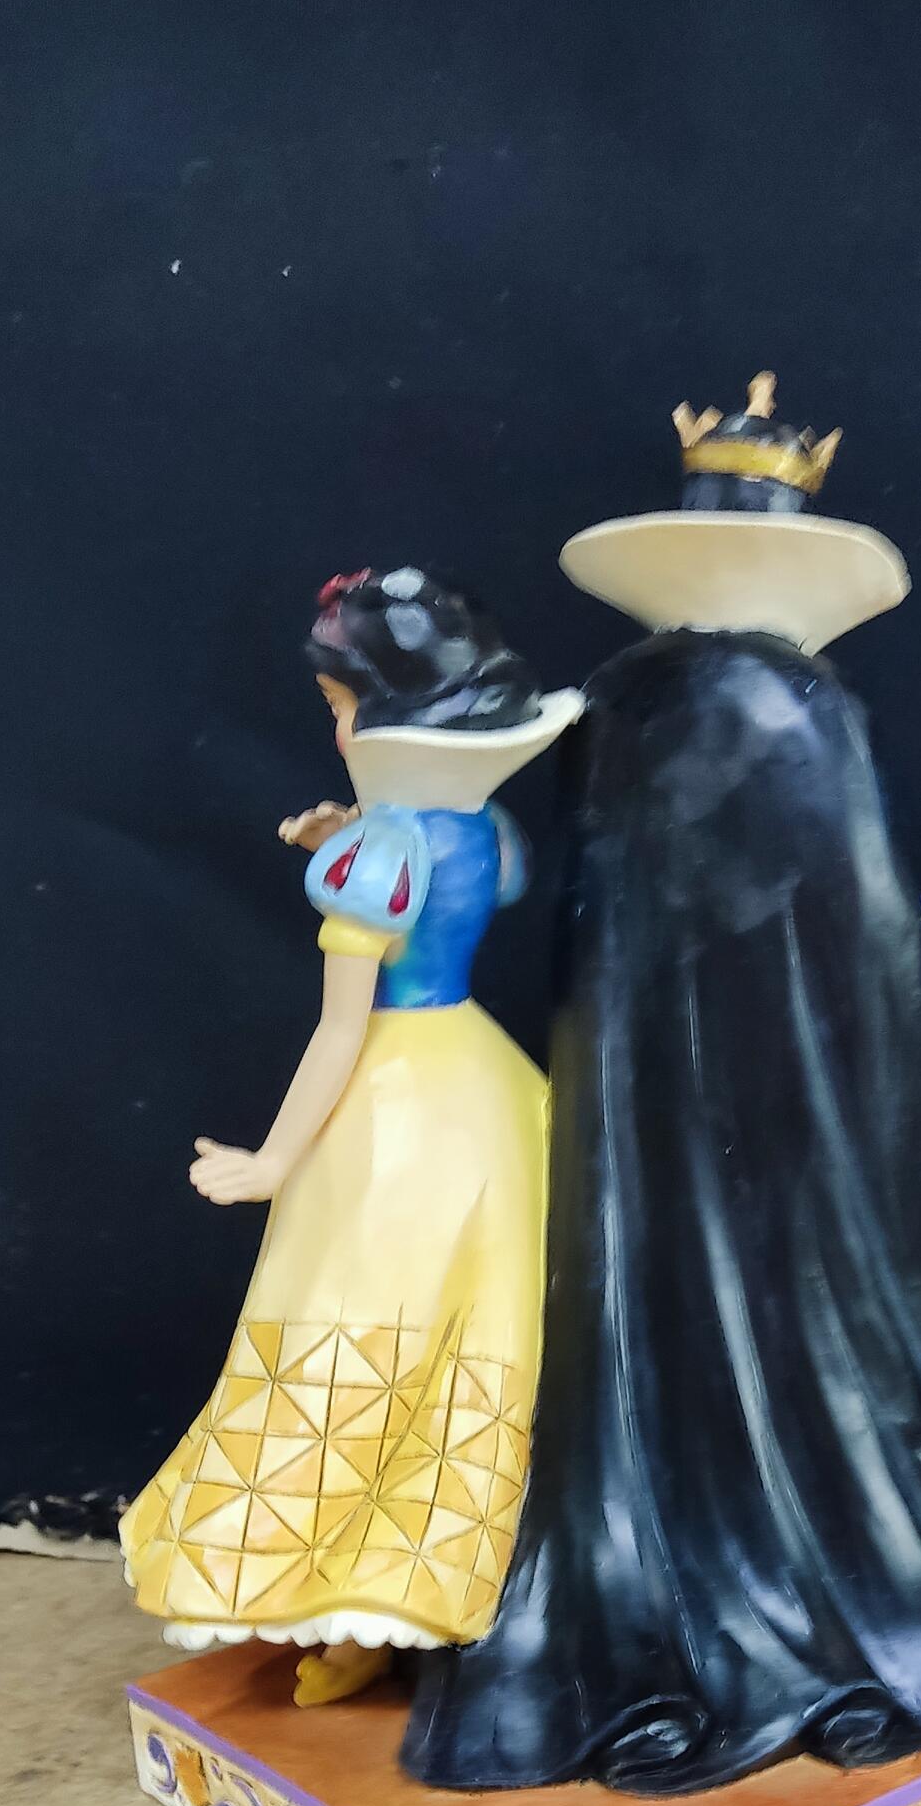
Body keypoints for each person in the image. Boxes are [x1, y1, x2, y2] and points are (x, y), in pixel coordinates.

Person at [404, 381, 921, 1795]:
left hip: (645, 1114)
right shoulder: (799, 707)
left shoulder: (619, 708)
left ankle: (660, 1580)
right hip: (784, 1137)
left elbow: (754, 911)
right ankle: (808, 1578)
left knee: (656, 1333)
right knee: (788, 1337)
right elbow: (861, 931)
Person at [121, 568, 581, 1704]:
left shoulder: (377, 859)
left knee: (360, 1323)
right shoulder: (488, 832)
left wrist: (272, 1161)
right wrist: (350, 840)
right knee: (468, 1331)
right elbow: (453, 891)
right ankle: (439, 1583)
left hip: (396, 1101)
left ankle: (362, 1590)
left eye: (339, 707)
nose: (334, 727)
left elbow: (339, 1030)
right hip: (486, 1086)